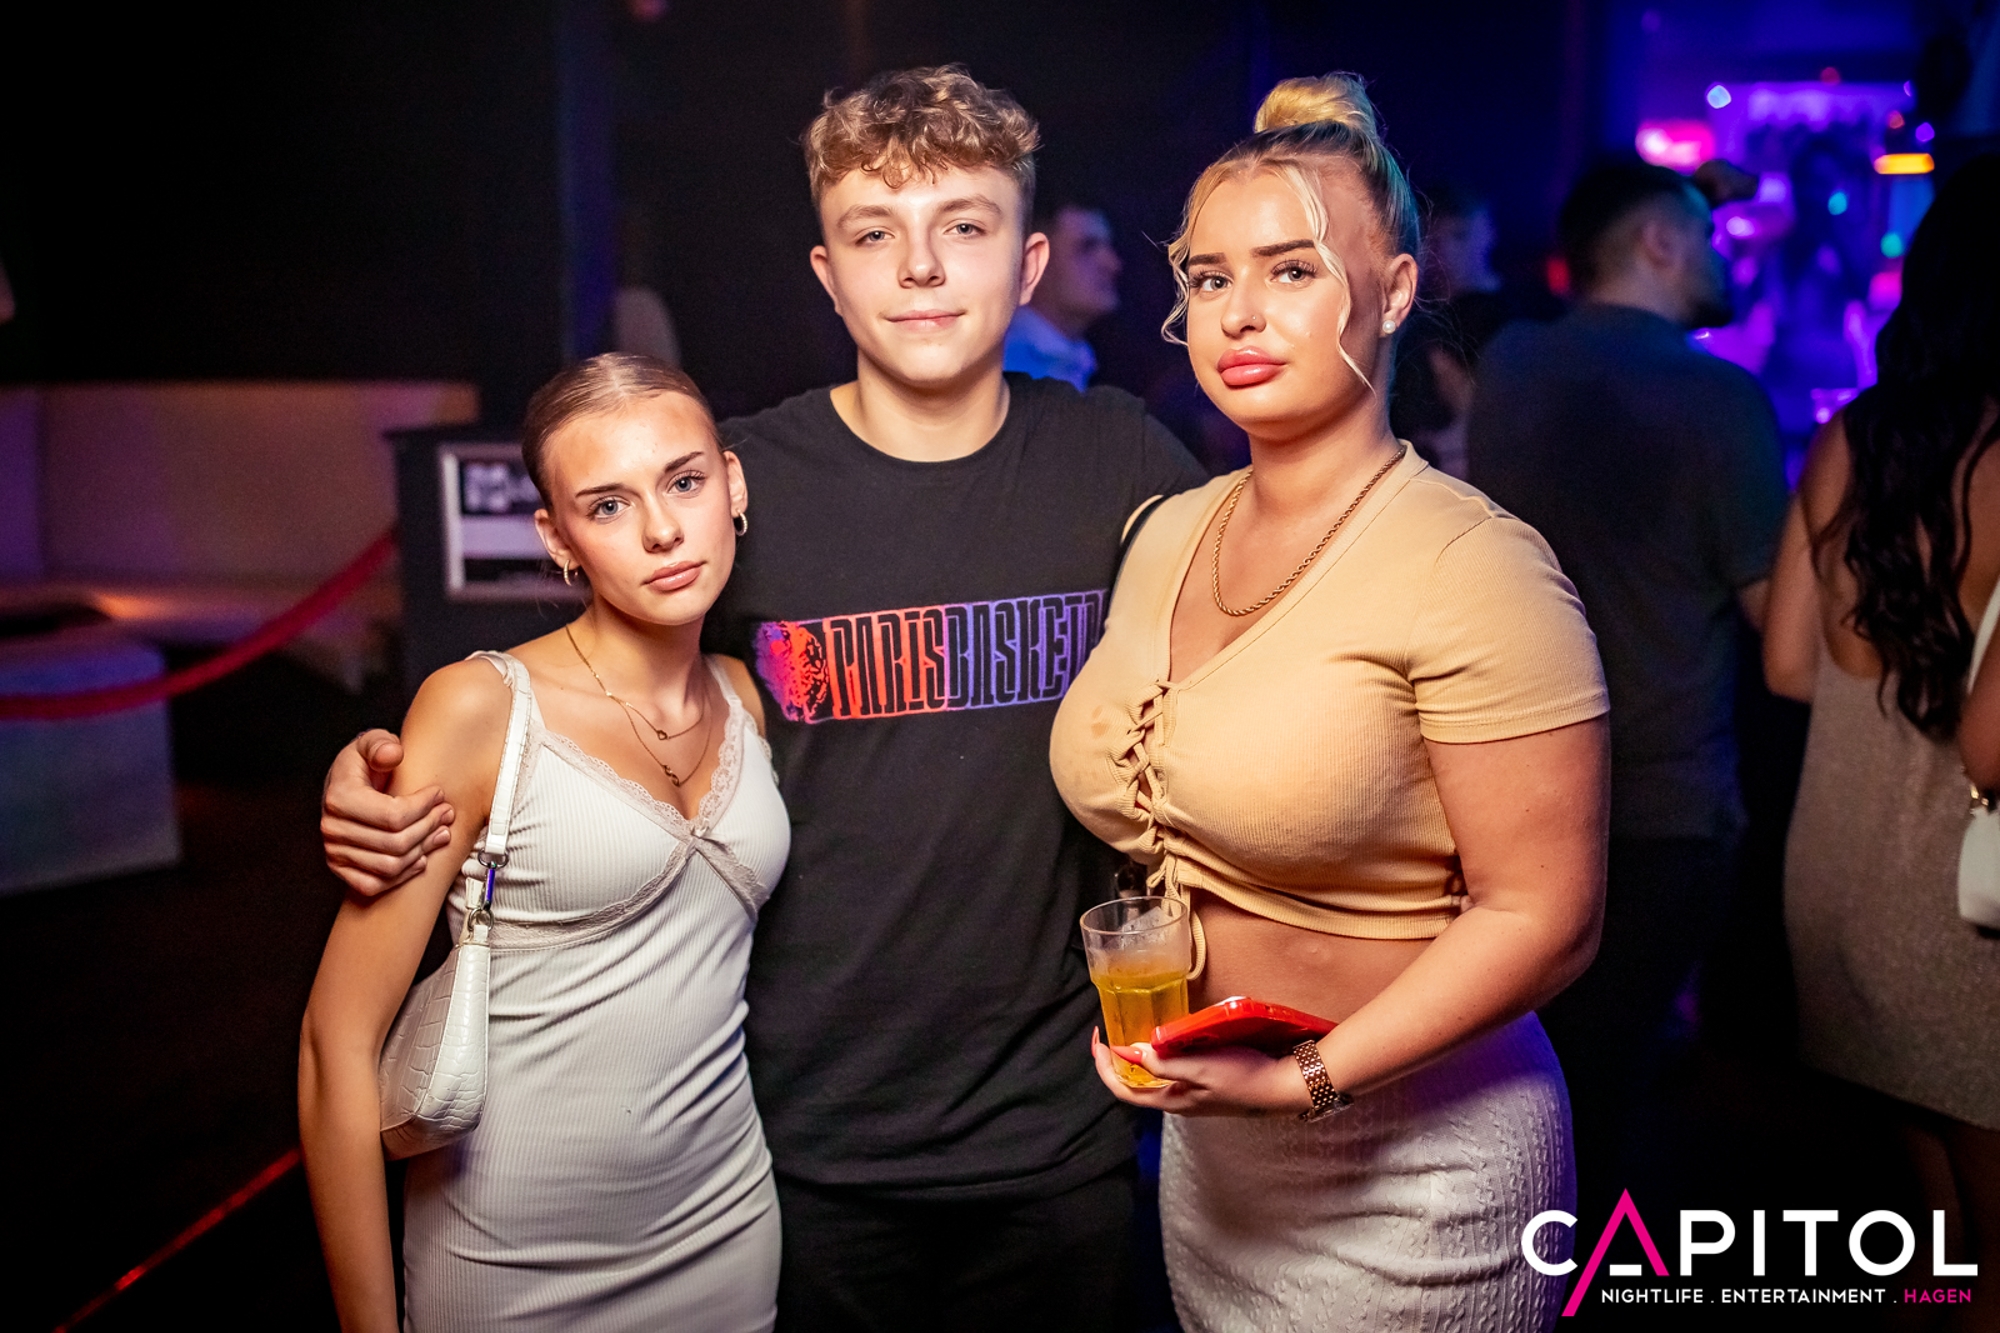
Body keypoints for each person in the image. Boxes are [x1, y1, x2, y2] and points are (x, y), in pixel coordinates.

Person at [317, 66, 1208, 1332]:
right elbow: (577, 687)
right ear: (826, 275)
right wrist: (379, 769)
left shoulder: (1119, 458)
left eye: (963, 226)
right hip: (796, 1140)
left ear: (1027, 265)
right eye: (873, 235)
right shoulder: (737, 483)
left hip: (1058, 1131)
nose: (920, 268)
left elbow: (1265, 645)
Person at [1049, 74, 1610, 1331]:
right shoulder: (1165, 531)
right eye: (1207, 278)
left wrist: (1303, 1079)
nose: (1238, 314)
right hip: (1212, 1149)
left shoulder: (1473, 563)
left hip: (1416, 1163)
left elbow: (1546, 917)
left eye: (1291, 271)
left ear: (1395, 290)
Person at [299, 354, 786, 1332]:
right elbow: (334, 1047)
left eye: (684, 481)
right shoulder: (481, 707)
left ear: (731, 485)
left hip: (724, 1227)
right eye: (606, 505)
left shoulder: (743, 693)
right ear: (557, 537)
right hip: (509, 1261)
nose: (660, 530)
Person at [1464, 158, 1788, 1220]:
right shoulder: (1719, 397)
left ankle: (1527, 1275)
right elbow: (1779, 628)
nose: (1717, 255)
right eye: (1702, 234)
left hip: (1509, 795)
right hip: (1658, 811)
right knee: (1610, 1099)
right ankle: (1595, 1277)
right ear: (1657, 242)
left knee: (1535, 1086)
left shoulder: (1512, 365)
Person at [1765, 153, 2000, 1323]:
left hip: (1834, 880)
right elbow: (1990, 745)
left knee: (1934, 1244)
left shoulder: (1846, 437)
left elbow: (1784, 666)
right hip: (1963, 913)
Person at [1002, 191, 1122, 390]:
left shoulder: (1074, 359)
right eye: (1086, 248)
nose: (1112, 264)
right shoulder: (1004, 367)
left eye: (1107, 247)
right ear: (1033, 263)